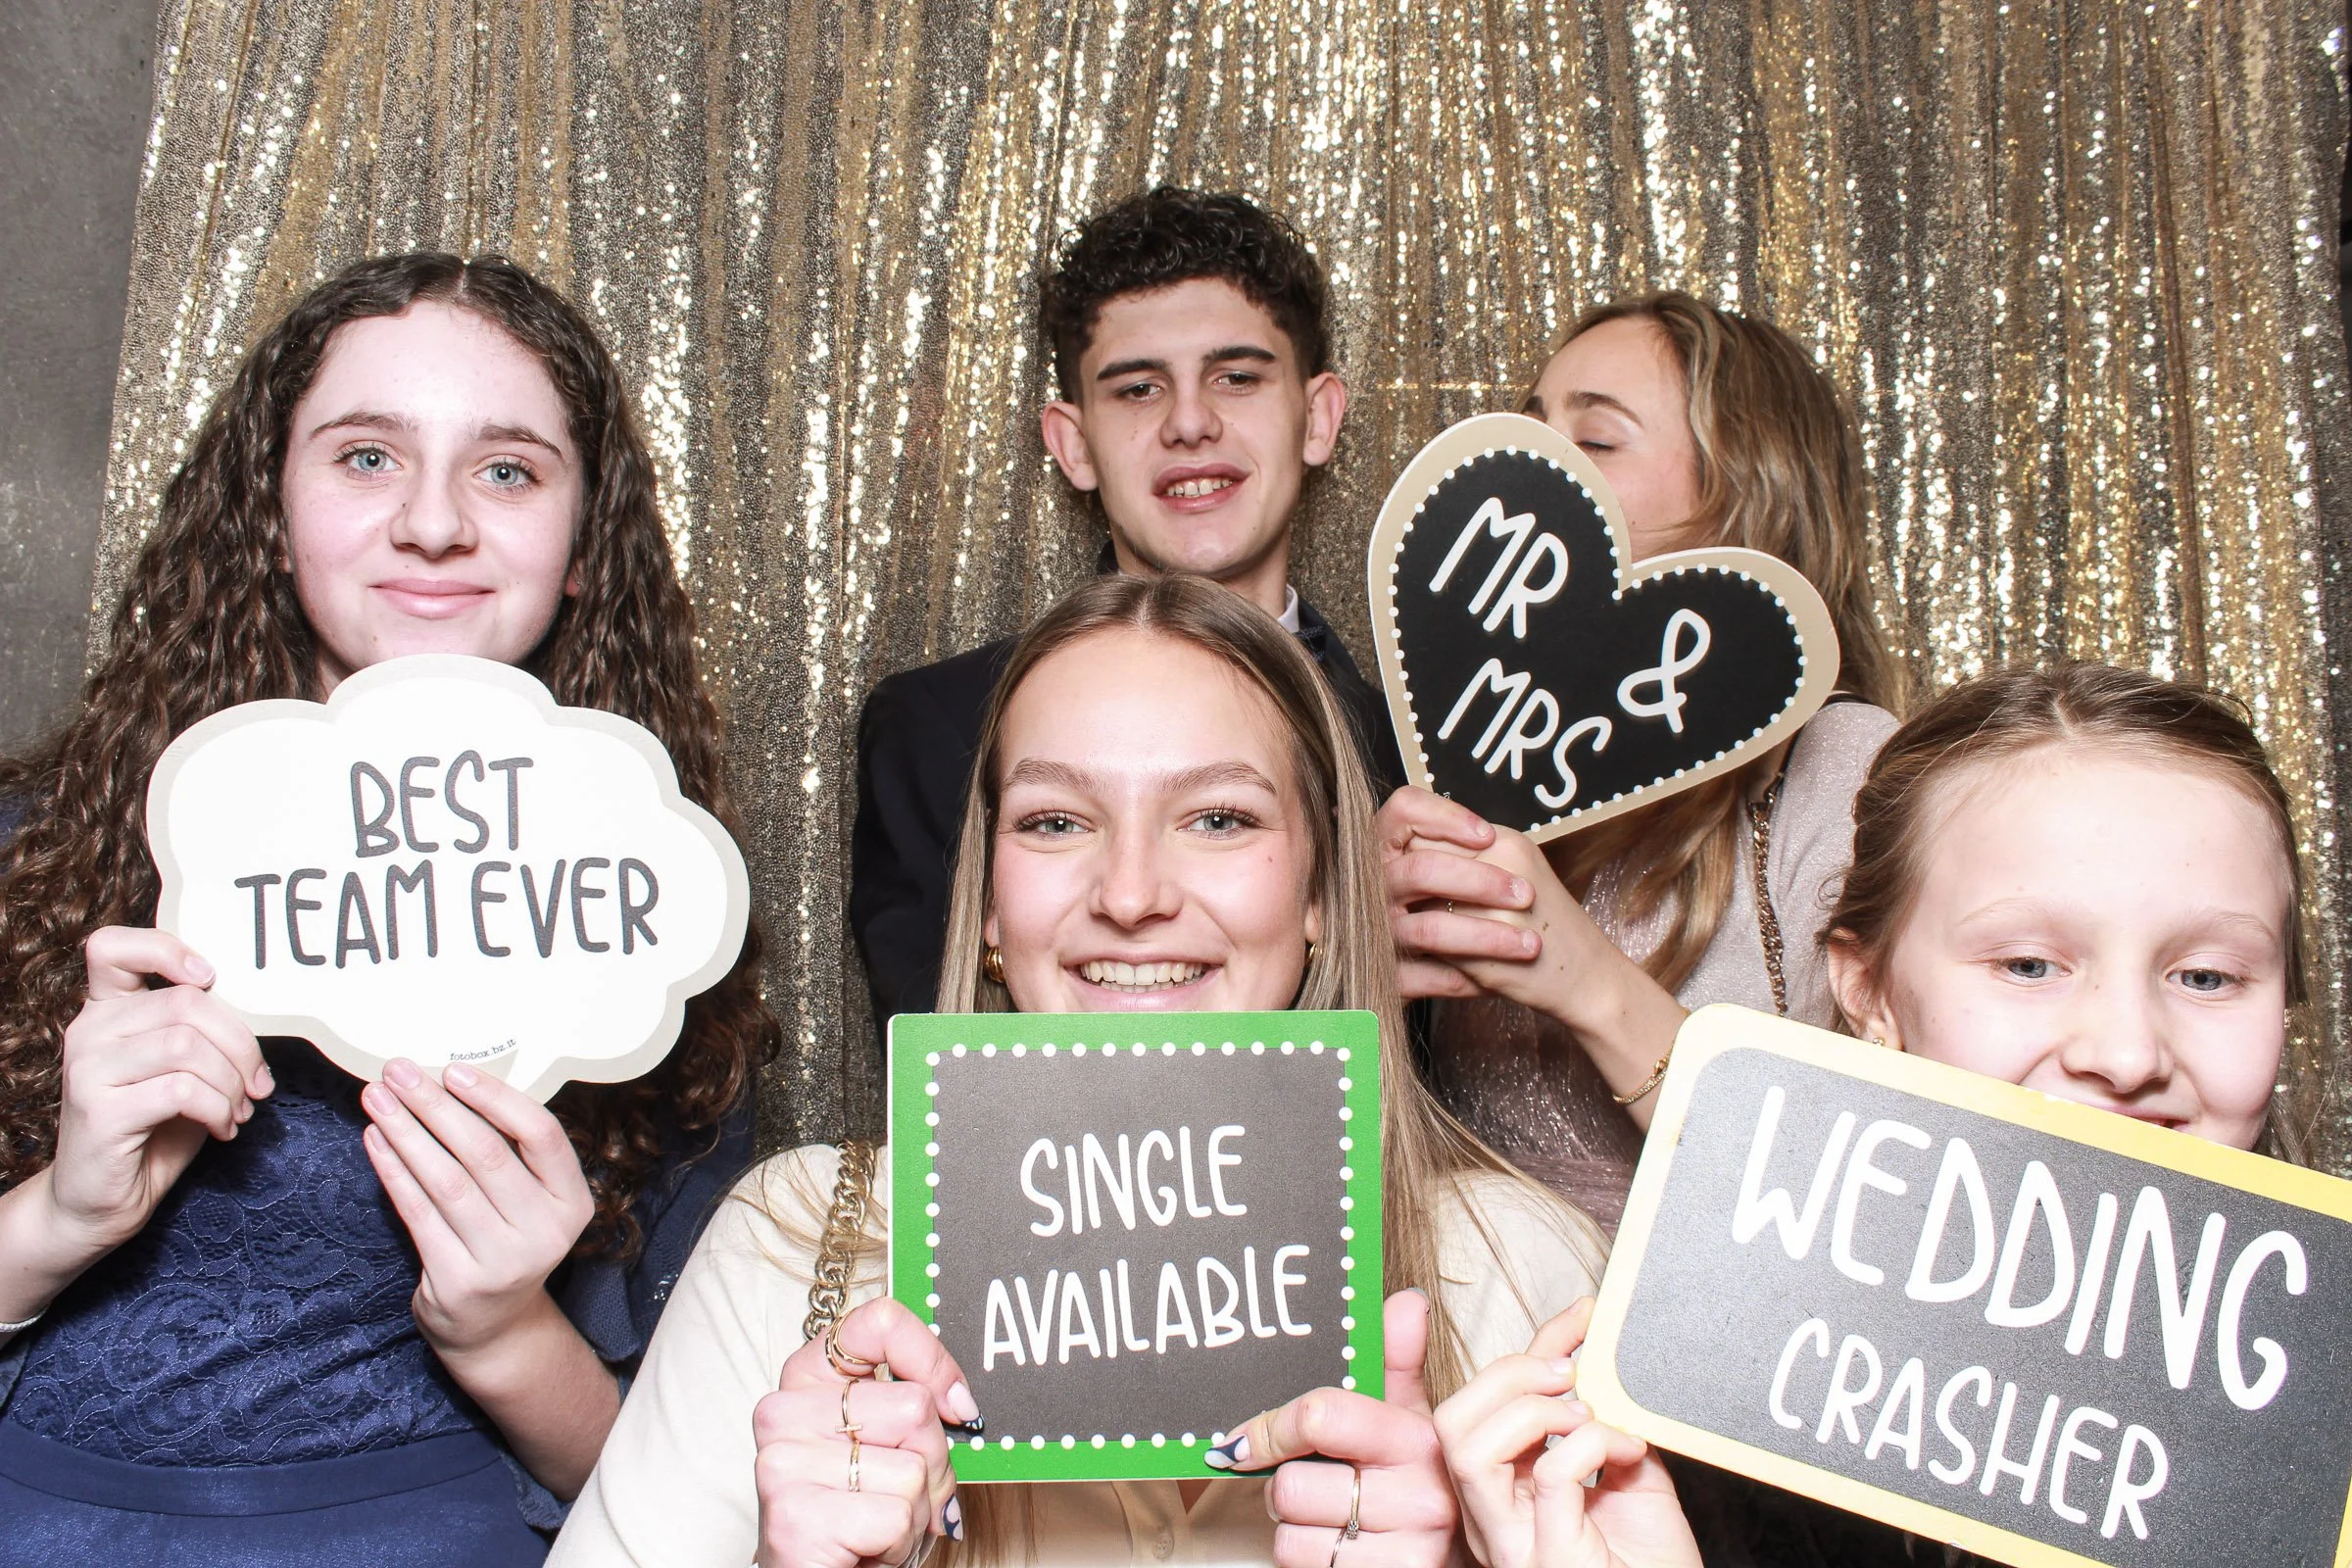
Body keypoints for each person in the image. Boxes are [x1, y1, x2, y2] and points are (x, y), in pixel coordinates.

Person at [554, 573, 1606, 1567]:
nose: (1132, 894)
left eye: (1219, 818)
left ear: (1322, 894)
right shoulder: (786, 1244)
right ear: (992, 906)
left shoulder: (1521, 1271)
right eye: (1055, 821)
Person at [0, 253, 778, 1563]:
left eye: (508, 471)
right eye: (367, 457)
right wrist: (61, 1216)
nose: (433, 523)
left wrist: (507, 1330)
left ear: (582, 549)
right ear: (270, 509)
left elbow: (687, 1498)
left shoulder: (647, 913)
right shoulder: (35, 862)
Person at [1434, 662, 2311, 1568]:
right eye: (2027, 966)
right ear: (1868, 991)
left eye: (2207, 977)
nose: (2128, 1055)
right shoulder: (1707, 1437)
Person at [1380, 292, 1904, 1228]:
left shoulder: (1845, 765)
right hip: (1473, 1301)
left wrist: (1583, 978)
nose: (1539, 470)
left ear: (1745, 496)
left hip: (1702, 1308)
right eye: (1530, 430)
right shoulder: (1488, 749)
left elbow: (1856, 1199)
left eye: (1596, 441)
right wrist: (1352, 944)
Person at [851, 186, 1407, 1039]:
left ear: (1319, 418)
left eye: (1237, 378)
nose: (1190, 422)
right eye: (1139, 389)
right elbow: (953, 1079)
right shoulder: (934, 729)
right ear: (1073, 444)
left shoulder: (1421, 749)